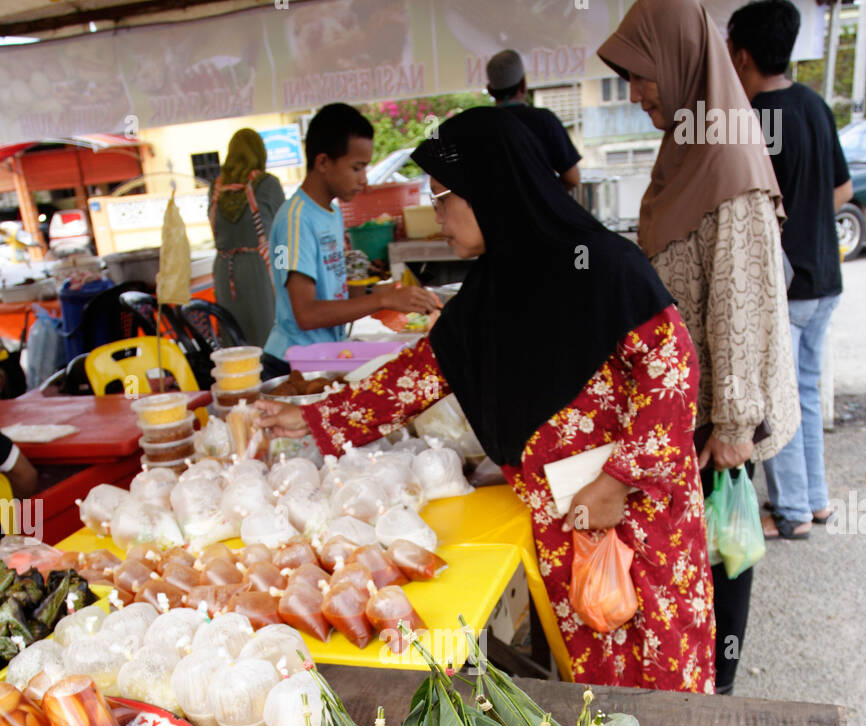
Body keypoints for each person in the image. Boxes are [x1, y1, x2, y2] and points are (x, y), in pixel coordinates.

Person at [254, 107, 715, 693]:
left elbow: (671, 375)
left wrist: (620, 480)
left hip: (641, 517)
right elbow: (413, 377)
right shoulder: (489, 294)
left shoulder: (605, 267)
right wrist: (310, 418)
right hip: (563, 520)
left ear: (492, 190)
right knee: (599, 675)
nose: (436, 213)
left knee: (663, 668)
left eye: (444, 197)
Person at [598, 0, 800, 694]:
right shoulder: (688, 145)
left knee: (720, 566)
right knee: (699, 571)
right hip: (693, 414)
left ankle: (717, 703)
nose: (635, 93)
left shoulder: (727, 158)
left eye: (642, 75)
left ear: (681, 62)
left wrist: (738, 425)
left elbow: (744, 295)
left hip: (719, 426)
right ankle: (701, 688)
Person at [727, 0, 853, 540]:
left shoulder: (756, 120)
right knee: (802, 390)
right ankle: (815, 502)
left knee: (777, 400)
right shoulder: (815, 105)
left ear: (745, 55)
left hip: (786, 284)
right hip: (826, 277)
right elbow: (842, 190)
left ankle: (793, 513)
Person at [261, 103, 439, 377]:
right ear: (322, 163)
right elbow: (306, 314)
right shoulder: (295, 220)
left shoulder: (330, 213)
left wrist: (389, 295)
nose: (364, 180)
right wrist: (381, 301)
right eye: (357, 168)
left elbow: (338, 294)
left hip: (325, 356)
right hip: (293, 365)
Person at [209, 129, 286, 348]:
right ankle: (270, 380)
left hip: (225, 269)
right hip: (258, 267)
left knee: (234, 339)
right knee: (267, 335)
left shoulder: (215, 188)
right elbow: (285, 232)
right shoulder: (267, 184)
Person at [486, 49, 582, 190]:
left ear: (489, 90)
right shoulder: (544, 120)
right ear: (524, 84)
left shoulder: (482, 126)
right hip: (541, 211)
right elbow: (572, 179)